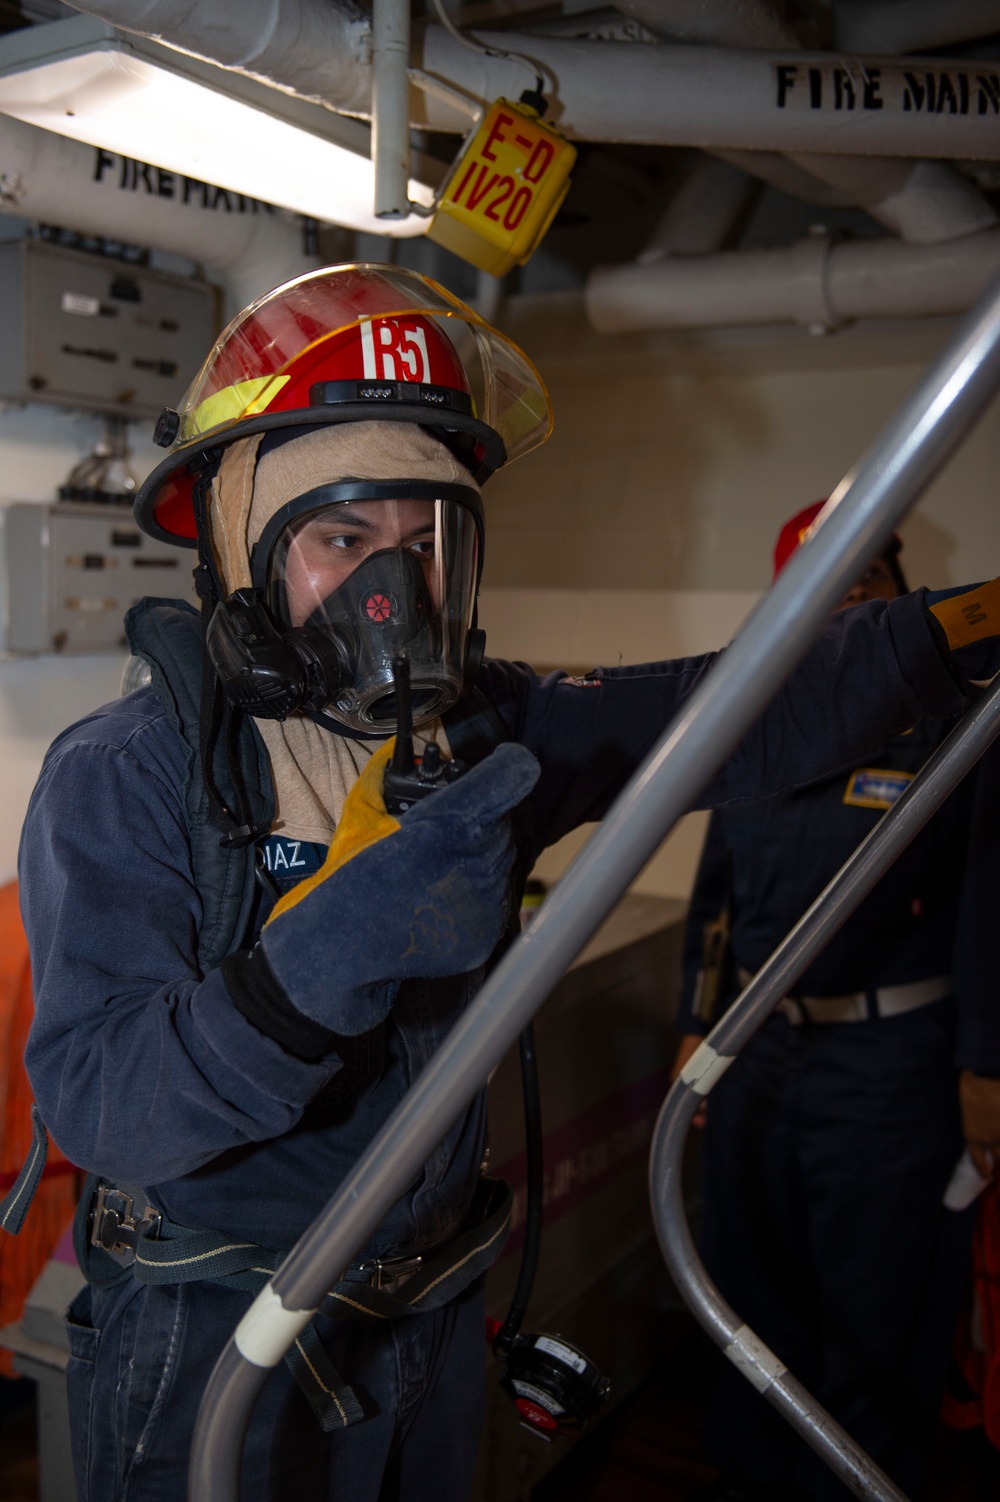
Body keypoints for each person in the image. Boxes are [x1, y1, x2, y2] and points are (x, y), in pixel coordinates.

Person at [14, 267, 1000, 1502]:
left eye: (428, 542)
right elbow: (104, 1108)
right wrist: (322, 961)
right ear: (237, 542)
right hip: (219, 1330)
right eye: (341, 538)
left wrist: (936, 642)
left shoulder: (484, 742)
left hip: (424, 1321)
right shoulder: (127, 774)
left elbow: (725, 707)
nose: (396, 593)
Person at [674, 503, 1000, 1502]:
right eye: (823, 577)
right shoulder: (760, 719)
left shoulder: (962, 720)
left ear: (897, 587)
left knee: (874, 1312)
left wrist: (985, 1066)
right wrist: (695, 1026)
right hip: (754, 1054)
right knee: (744, 1294)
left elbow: (993, 900)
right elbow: (717, 893)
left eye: (869, 571)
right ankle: (749, 1476)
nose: (850, 591)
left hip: (890, 1063)